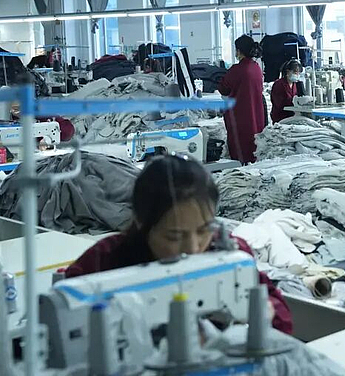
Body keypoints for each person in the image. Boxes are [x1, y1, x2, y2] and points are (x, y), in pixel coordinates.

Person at [65, 156, 293, 334]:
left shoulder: (230, 253)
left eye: (203, 230)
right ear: (141, 223)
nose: (193, 248)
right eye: (174, 237)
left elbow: (280, 314)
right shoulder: (103, 262)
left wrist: (267, 311)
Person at [217, 35, 266, 164]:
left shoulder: (237, 70)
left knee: (240, 150)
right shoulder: (257, 68)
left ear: (238, 51)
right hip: (256, 114)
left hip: (240, 116)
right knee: (254, 148)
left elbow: (223, 88)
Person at [271, 59, 304, 124]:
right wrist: (294, 101)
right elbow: (279, 103)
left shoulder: (295, 84)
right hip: (280, 117)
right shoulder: (279, 84)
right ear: (288, 72)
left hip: (292, 117)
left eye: (299, 73)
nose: (297, 75)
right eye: (295, 73)